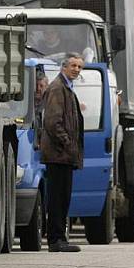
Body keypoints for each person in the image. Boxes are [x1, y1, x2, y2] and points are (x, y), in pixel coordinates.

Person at [41, 53, 85, 252]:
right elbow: (52, 122)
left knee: (63, 197)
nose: (76, 69)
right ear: (64, 67)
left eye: (79, 67)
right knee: (57, 198)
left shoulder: (67, 88)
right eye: (73, 66)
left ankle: (60, 238)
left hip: (64, 155)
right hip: (58, 155)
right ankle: (56, 239)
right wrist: (68, 144)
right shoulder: (58, 89)